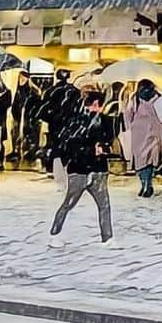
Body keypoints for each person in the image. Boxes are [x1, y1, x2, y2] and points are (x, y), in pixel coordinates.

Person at [49, 89, 114, 246]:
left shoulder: (105, 121)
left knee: (104, 204)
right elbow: (70, 145)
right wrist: (92, 149)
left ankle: (108, 238)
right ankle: (55, 233)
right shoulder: (77, 121)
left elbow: (109, 140)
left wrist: (104, 147)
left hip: (98, 168)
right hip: (80, 169)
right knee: (69, 203)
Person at [123, 79, 162, 197]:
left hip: (139, 132)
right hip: (155, 131)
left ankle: (144, 183)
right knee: (150, 159)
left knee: (140, 160)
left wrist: (129, 126)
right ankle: (148, 183)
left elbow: (128, 113)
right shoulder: (158, 97)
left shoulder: (135, 98)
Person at [38, 69, 80, 175]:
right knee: (67, 145)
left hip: (54, 123)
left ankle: (52, 167)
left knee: (54, 144)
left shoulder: (51, 91)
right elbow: (77, 108)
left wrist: (50, 118)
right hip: (68, 123)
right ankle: (65, 166)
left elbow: (44, 108)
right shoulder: (73, 91)